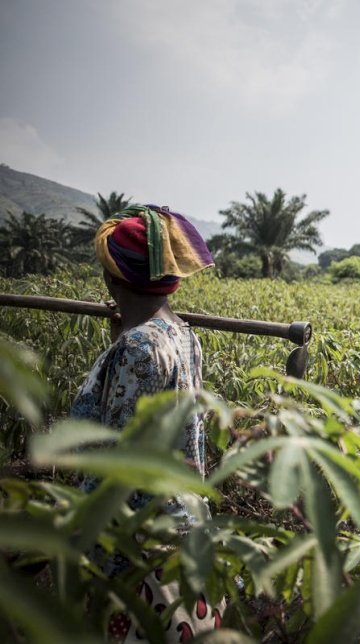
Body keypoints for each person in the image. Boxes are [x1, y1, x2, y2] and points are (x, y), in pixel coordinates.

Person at [71, 204, 220, 642]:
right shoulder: (181, 334)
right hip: (184, 528)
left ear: (113, 278)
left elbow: (117, 467)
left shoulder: (137, 348)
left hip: (137, 547)